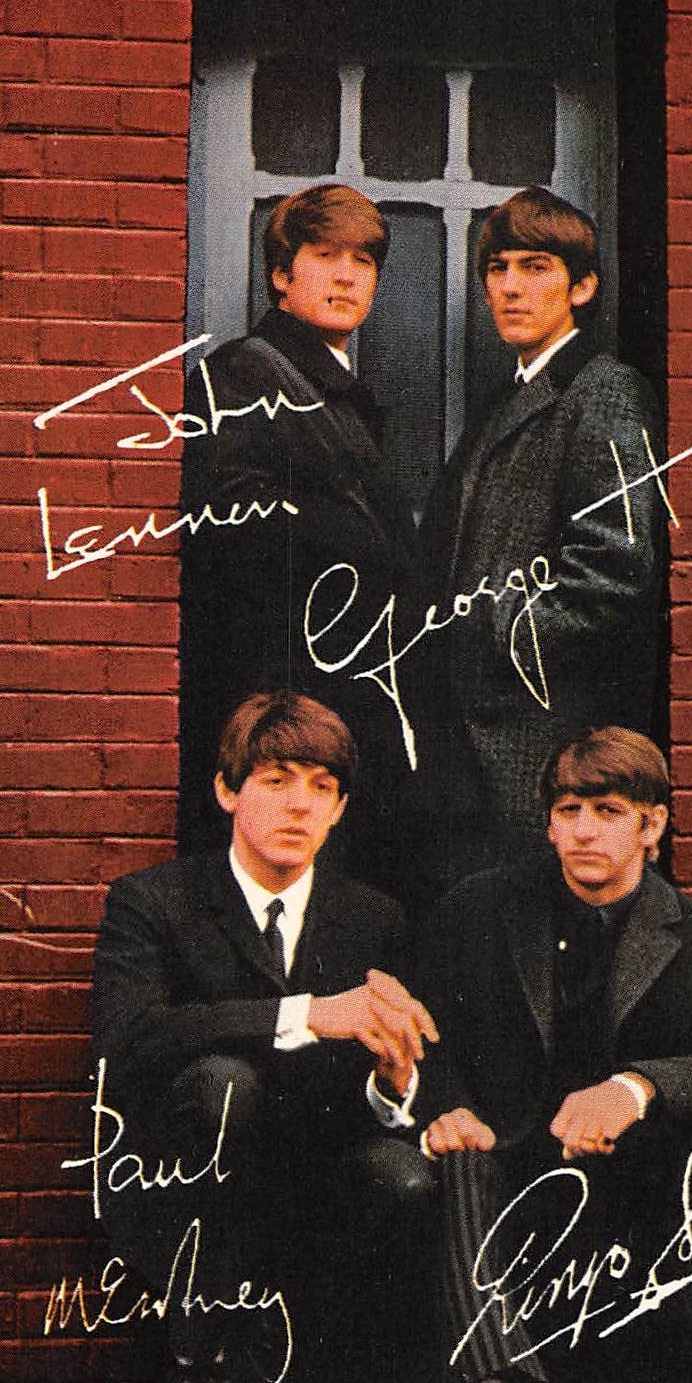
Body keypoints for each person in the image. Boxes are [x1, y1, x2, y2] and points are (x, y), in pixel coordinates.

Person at [414, 727, 692, 1383]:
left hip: (637, 1215)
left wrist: (634, 1089)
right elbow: (428, 1037)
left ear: (653, 825)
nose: (584, 829)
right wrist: (447, 1107)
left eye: (608, 810)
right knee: (460, 1154)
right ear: (548, 823)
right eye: (568, 809)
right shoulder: (476, 913)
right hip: (508, 1196)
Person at [91, 692, 437, 1383]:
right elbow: (126, 1040)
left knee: (403, 1173)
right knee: (224, 1084)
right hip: (186, 1186)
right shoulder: (155, 900)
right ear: (227, 789)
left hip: (309, 1190)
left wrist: (392, 1080)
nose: (299, 804)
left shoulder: (371, 917)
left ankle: (319, 1375)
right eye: (276, 779)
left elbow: (376, 1101)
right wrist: (305, 1011)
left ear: (339, 808)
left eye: (322, 786)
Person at [415, 188, 669, 896]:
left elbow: (612, 572)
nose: (509, 287)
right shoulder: (512, 394)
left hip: (541, 741)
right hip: (479, 746)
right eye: (497, 269)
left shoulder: (603, 392)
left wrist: (489, 634)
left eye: (534, 268)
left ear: (581, 287)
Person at [178, 184, 423, 895]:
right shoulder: (243, 372)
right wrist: (369, 550)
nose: (347, 276)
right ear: (282, 275)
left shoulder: (338, 389)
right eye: (324, 256)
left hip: (340, 698)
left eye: (363, 261)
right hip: (286, 703)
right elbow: (233, 524)